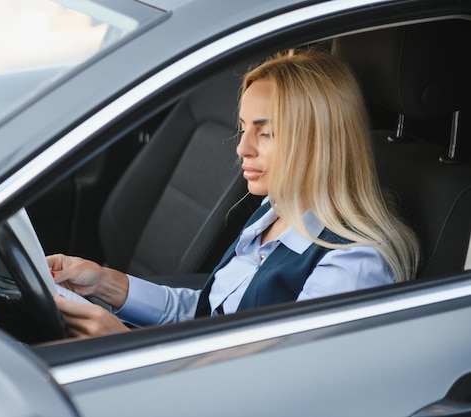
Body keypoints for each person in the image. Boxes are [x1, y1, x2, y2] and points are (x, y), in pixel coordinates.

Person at [48, 49, 420, 338]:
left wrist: (122, 345)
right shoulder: (272, 213)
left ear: (317, 142)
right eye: (243, 128)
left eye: (266, 132)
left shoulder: (351, 263)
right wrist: (103, 282)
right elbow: (209, 314)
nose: (242, 149)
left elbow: (277, 384)